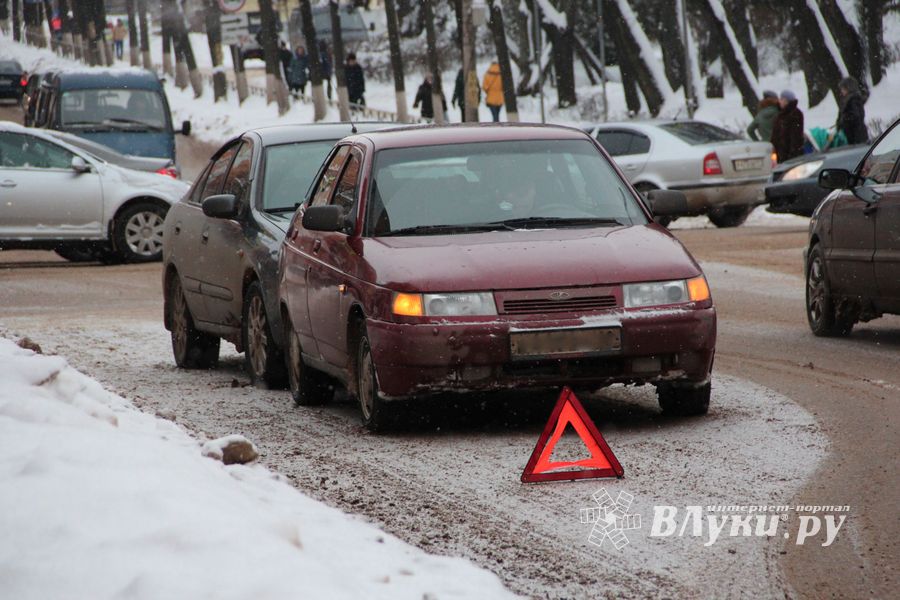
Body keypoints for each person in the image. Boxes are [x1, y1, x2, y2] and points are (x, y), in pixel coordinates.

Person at [771, 90, 804, 163]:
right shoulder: (780, 114)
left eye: (782, 99)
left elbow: (796, 137)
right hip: (780, 153)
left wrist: (792, 154)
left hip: (789, 155)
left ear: (787, 101)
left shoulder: (795, 114)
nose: (779, 101)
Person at [836, 76, 869, 145]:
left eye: (843, 89)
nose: (842, 91)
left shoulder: (854, 99)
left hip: (855, 135)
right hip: (852, 134)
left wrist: (843, 120)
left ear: (848, 88)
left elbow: (856, 116)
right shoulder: (848, 99)